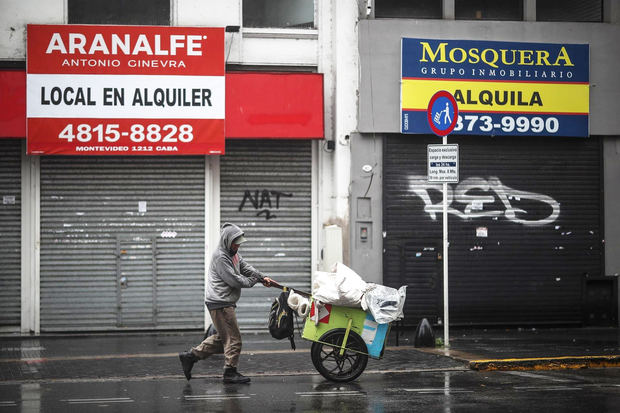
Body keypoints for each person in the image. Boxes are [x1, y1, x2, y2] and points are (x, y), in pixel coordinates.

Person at [179, 223, 274, 384]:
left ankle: (190, 357)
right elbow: (234, 280)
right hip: (220, 302)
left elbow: (245, 267)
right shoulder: (221, 256)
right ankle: (230, 372)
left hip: (222, 302)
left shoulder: (233, 252)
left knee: (223, 339)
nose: (237, 246)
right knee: (234, 339)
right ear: (227, 240)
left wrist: (261, 277)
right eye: (235, 243)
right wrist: (254, 281)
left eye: (239, 243)